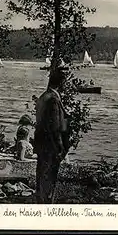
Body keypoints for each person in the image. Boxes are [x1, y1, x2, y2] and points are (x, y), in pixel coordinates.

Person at [33, 68, 69, 204]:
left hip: (41, 140)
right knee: (50, 172)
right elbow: (55, 126)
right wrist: (60, 145)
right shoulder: (53, 99)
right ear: (61, 82)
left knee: (41, 170)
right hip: (50, 143)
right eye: (64, 81)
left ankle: (41, 198)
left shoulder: (44, 96)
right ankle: (46, 200)